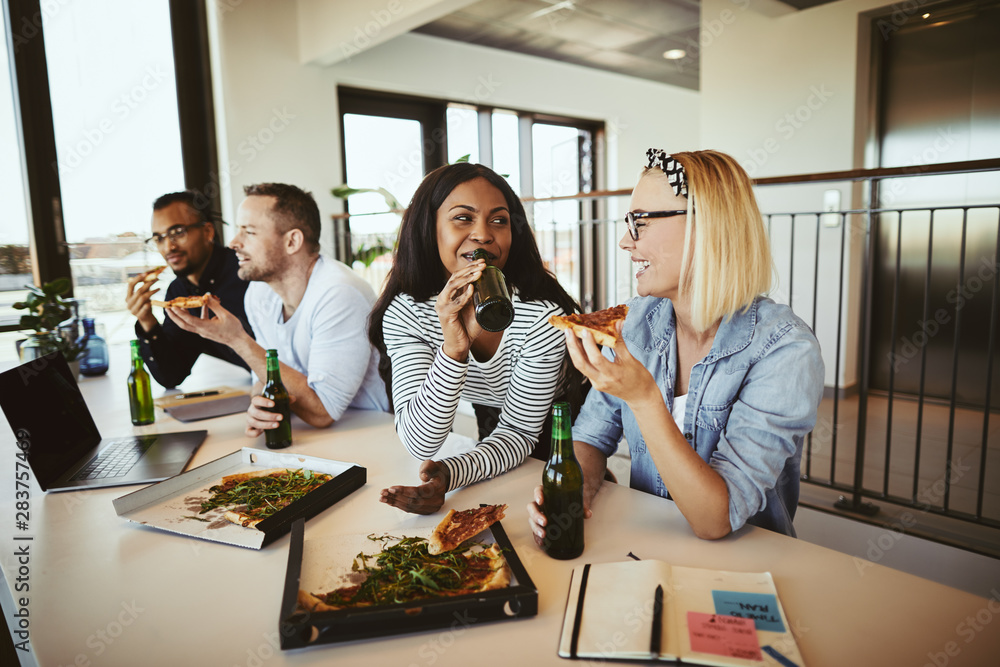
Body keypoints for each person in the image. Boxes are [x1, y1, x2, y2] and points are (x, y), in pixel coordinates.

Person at [528, 149, 824, 541]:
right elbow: (591, 437)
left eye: (640, 222)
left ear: (706, 227)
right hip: (648, 545)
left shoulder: (786, 351)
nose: (624, 240)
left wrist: (645, 398)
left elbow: (716, 519)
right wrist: (572, 492)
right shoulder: (634, 323)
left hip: (743, 565)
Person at [370, 162, 583, 515]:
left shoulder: (540, 318)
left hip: (560, 440)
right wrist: (453, 349)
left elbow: (519, 433)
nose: (484, 234)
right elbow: (421, 442)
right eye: (463, 218)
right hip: (495, 435)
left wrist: (453, 472)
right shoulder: (408, 314)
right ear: (429, 228)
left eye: (499, 220)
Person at [167, 182, 388, 434]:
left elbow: (323, 411)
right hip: (305, 433)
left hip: (367, 431)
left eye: (248, 232)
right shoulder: (259, 292)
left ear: (292, 241)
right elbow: (263, 376)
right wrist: (259, 404)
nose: (233, 243)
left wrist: (237, 339)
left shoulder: (339, 293)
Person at [126, 190, 253, 388]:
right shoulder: (179, 294)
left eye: (177, 233)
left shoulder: (248, 272)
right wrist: (147, 322)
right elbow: (171, 376)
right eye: (159, 238)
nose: (169, 247)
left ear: (208, 232)